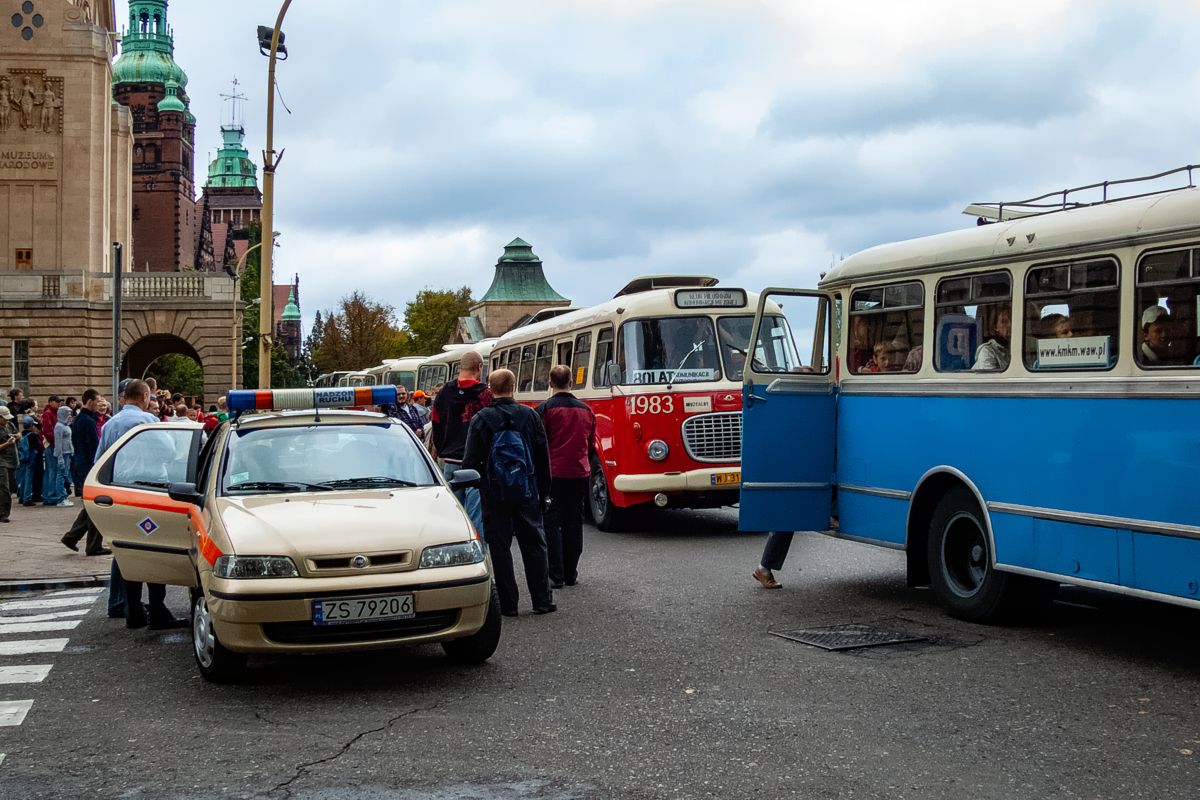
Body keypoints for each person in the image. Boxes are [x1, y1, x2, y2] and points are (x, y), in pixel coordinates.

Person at [462, 368, 555, 616]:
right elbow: (542, 458)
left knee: (500, 547)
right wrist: (544, 492)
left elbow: (471, 463)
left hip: (494, 494)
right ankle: (542, 600)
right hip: (527, 491)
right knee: (534, 544)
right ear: (514, 386)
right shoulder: (530, 416)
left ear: (489, 388)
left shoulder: (481, 419)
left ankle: (508, 604)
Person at [98, 380, 186, 630]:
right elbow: (170, 451)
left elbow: (100, 459)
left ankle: (133, 611)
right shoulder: (147, 422)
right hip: (149, 493)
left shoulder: (110, 424)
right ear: (145, 396)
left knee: (129, 552)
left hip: (121, 494)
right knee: (155, 552)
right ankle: (158, 610)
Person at [535, 365, 597, 589]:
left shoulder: (544, 409)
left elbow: (539, 444)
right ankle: (571, 572)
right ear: (571, 382)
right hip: (579, 472)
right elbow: (591, 444)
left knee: (551, 523)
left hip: (553, 473)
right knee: (574, 523)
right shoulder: (587, 411)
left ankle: (556, 573)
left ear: (550, 383)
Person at [431, 352, 492, 534]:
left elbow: (436, 422)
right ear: (479, 367)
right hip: (476, 464)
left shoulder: (443, 393)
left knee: (453, 519)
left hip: (450, 461)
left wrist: (442, 449)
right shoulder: (485, 395)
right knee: (476, 521)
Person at [40, 395, 71, 507]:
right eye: (56, 402)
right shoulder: (49, 413)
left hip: (52, 444)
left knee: (51, 471)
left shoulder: (53, 412)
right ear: (50, 402)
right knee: (53, 470)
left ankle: (49, 495)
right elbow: (48, 431)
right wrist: (55, 443)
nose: (59, 403)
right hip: (51, 445)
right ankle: (51, 495)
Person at [973, 306, 1012, 371]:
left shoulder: (1014, 348)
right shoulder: (987, 352)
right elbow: (988, 379)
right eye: (1004, 321)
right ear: (995, 327)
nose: (1010, 324)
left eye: (1012, 320)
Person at [18, 415, 44, 506]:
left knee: (22, 478)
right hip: (30, 460)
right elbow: (37, 449)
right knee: (29, 478)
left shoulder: (21, 434)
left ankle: (21, 497)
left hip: (22, 459)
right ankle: (27, 498)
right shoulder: (32, 435)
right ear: (31, 425)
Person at [0, 406, 18, 523]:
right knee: (4, 487)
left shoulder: (9, 424)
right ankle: (3, 514)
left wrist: (17, 436)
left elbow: (17, 433)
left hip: (11, 460)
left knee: (11, 487)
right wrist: (7, 443)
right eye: (4, 418)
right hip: (1, 461)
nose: (7, 420)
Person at [53, 406, 74, 500]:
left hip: (68, 453)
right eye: (67, 414)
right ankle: (60, 497)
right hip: (63, 453)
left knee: (65, 475)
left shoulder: (66, 425)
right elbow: (58, 443)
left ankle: (64, 494)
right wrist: (60, 457)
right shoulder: (59, 427)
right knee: (61, 475)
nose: (69, 416)